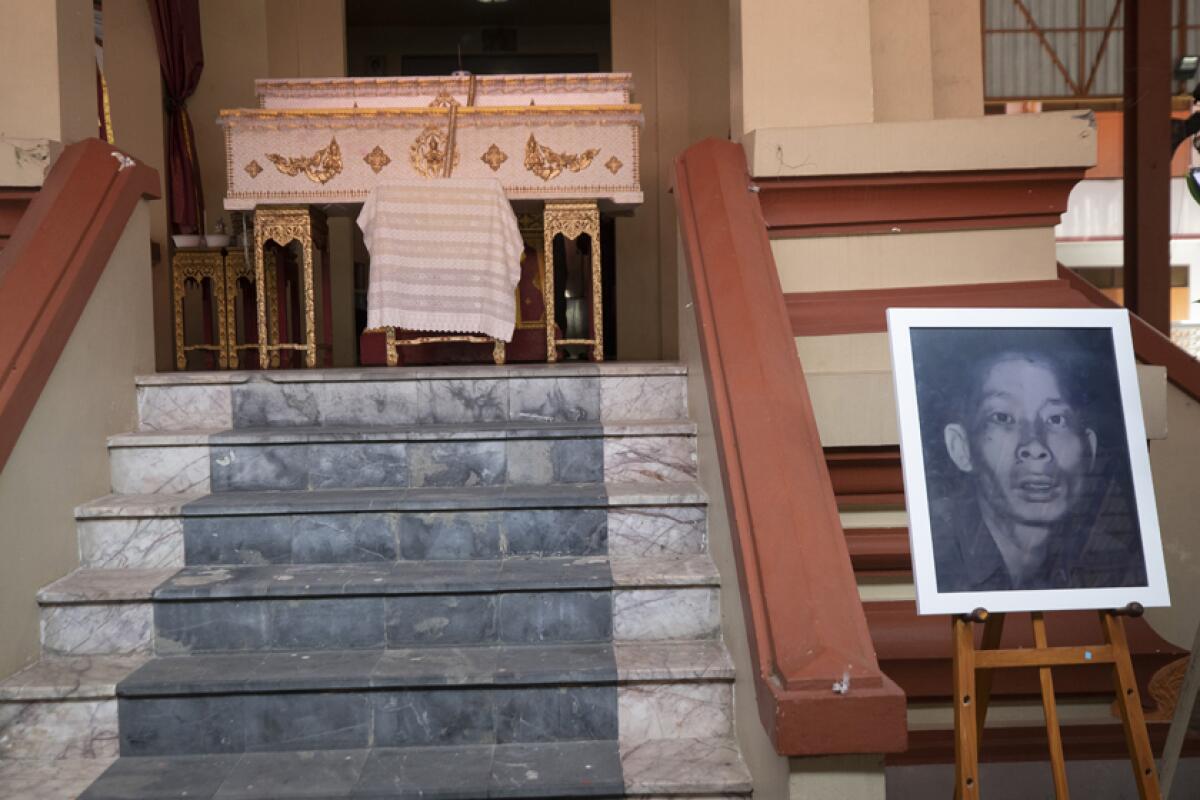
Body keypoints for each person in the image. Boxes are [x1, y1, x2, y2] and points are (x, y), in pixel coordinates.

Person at [929, 347, 1146, 592]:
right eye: (1002, 417)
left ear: (1089, 450)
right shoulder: (939, 558)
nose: (1034, 446)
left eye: (1056, 419)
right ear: (961, 448)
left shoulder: (1113, 563)